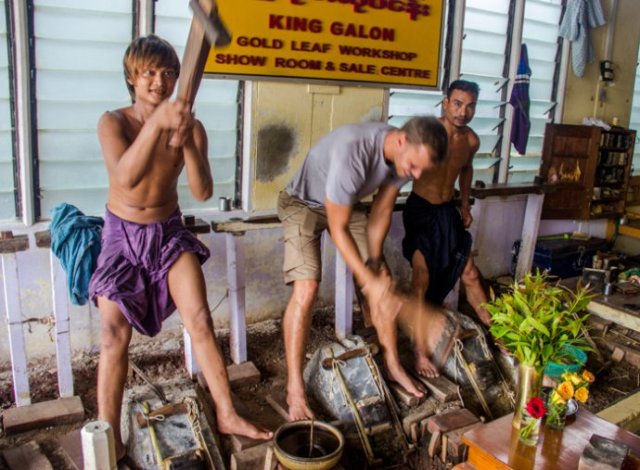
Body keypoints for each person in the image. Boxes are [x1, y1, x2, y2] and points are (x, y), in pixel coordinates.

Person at [88, 35, 271, 460]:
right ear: (132, 78)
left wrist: (186, 138)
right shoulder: (112, 123)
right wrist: (158, 124)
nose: (160, 81)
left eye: (168, 73)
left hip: (168, 231)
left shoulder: (192, 125)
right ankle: (110, 437)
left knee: (201, 320)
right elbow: (126, 179)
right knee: (115, 335)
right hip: (121, 236)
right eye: (149, 73)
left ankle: (227, 412)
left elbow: (203, 190)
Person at [278, 116, 448, 420]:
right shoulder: (354, 150)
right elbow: (337, 225)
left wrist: (373, 264)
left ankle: (393, 364)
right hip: (303, 203)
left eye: (423, 169)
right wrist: (369, 282)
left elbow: (382, 209)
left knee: (382, 276)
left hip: (346, 204)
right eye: (415, 166)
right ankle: (295, 389)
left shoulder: (405, 158)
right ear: (401, 141)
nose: (417, 174)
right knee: (307, 288)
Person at [402, 80, 491, 379]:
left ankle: (500, 334)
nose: (464, 111)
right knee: (422, 277)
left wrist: (464, 205)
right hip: (420, 210)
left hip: (446, 212)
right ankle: (419, 350)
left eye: (470, 105)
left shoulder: (471, 142)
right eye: (458, 103)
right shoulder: (428, 134)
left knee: (470, 273)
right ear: (445, 102)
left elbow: (466, 169)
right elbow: (399, 163)